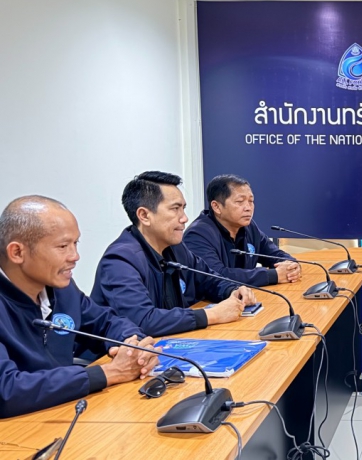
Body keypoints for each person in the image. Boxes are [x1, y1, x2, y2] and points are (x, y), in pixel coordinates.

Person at [0, 196, 159, 418]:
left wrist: (134, 347)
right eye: (63, 246)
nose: (75, 256)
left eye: (76, 244)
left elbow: (106, 322)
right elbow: (6, 391)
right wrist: (108, 373)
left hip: (63, 409)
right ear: (17, 252)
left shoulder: (63, 289)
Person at [91, 171, 256, 338]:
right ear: (144, 215)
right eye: (175, 209)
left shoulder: (176, 247)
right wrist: (211, 315)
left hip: (175, 341)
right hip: (128, 351)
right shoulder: (120, 261)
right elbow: (143, 321)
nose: (184, 218)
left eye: (183, 209)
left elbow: (209, 279)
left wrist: (233, 290)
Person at [183, 174, 301, 287]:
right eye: (240, 202)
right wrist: (272, 275)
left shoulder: (249, 227)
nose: (248, 208)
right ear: (216, 207)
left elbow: (275, 254)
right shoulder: (197, 235)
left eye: (251, 201)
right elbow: (216, 276)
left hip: (247, 296)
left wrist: (292, 266)